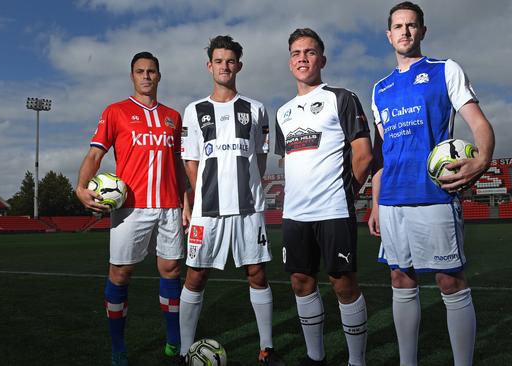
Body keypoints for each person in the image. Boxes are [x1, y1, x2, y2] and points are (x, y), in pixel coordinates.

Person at [368, 2, 495, 366]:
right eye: (398, 26)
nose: (405, 32)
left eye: (412, 25)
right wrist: (375, 203)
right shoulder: (380, 89)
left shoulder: (445, 70)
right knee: (399, 279)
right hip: (392, 199)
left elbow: (479, 123)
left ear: (422, 31)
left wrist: (482, 158)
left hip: (434, 196)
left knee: (449, 281)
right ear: (389, 35)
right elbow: (383, 152)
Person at [76, 52, 187, 366]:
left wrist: (186, 201)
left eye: (151, 71)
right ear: (132, 76)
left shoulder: (172, 117)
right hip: (130, 208)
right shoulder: (116, 112)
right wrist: (80, 186)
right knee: (120, 274)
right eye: (140, 71)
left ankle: (173, 341)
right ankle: (118, 347)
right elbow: (95, 155)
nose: (146, 76)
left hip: (168, 205)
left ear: (159, 76)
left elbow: (177, 164)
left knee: (171, 271)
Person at [178, 35, 282, 366]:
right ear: (210, 66)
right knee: (195, 276)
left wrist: (246, 185)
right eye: (218, 60)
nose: (225, 66)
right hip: (207, 211)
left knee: (257, 273)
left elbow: (260, 160)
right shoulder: (194, 111)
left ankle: (267, 349)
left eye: (230, 60)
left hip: (248, 209)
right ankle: (183, 352)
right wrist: (201, 196)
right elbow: (190, 162)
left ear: (239, 65)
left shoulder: (256, 109)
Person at [275, 28, 372, 366]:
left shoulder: (341, 97)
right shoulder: (283, 112)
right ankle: (315, 357)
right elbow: (286, 160)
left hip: (333, 210)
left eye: (310, 52)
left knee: (343, 284)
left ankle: (356, 361)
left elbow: (363, 155)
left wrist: (346, 194)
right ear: (290, 63)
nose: (303, 58)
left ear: (322, 59)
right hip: (295, 214)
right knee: (301, 281)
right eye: (297, 53)